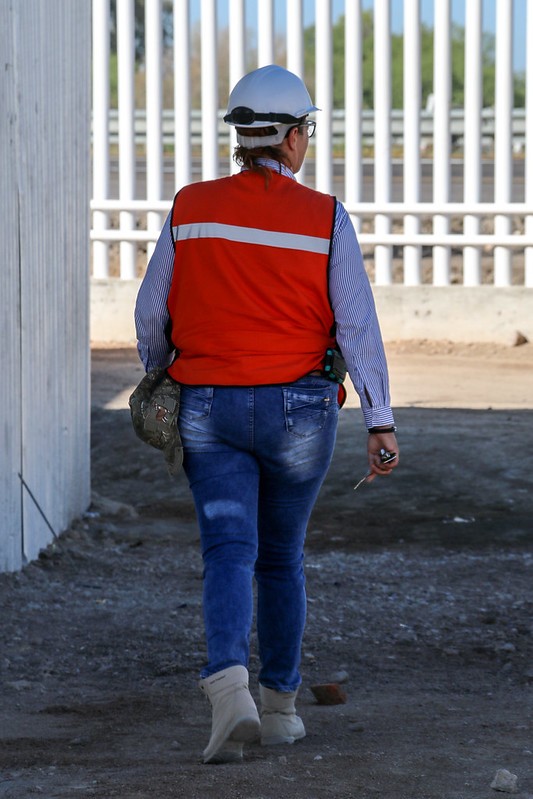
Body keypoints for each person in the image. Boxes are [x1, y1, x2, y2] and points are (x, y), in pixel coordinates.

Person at [134, 64, 399, 764]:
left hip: (207, 404)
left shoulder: (190, 207)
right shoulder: (325, 216)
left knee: (227, 548)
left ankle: (229, 690)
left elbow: (150, 312)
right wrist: (379, 418)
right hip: (300, 411)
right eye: (305, 129)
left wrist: (160, 370)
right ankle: (279, 708)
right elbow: (356, 325)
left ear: (241, 137)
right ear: (290, 138)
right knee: (281, 556)